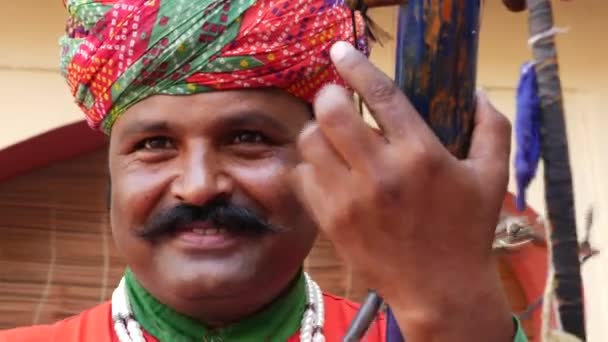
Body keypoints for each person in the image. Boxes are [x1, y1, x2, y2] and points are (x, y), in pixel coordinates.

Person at [1, 0, 528, 341]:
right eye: (155, 145)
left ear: (328, 160)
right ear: (112, 174)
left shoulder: (454, 328)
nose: (200, 185)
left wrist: (449, 300)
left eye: (248, 139)